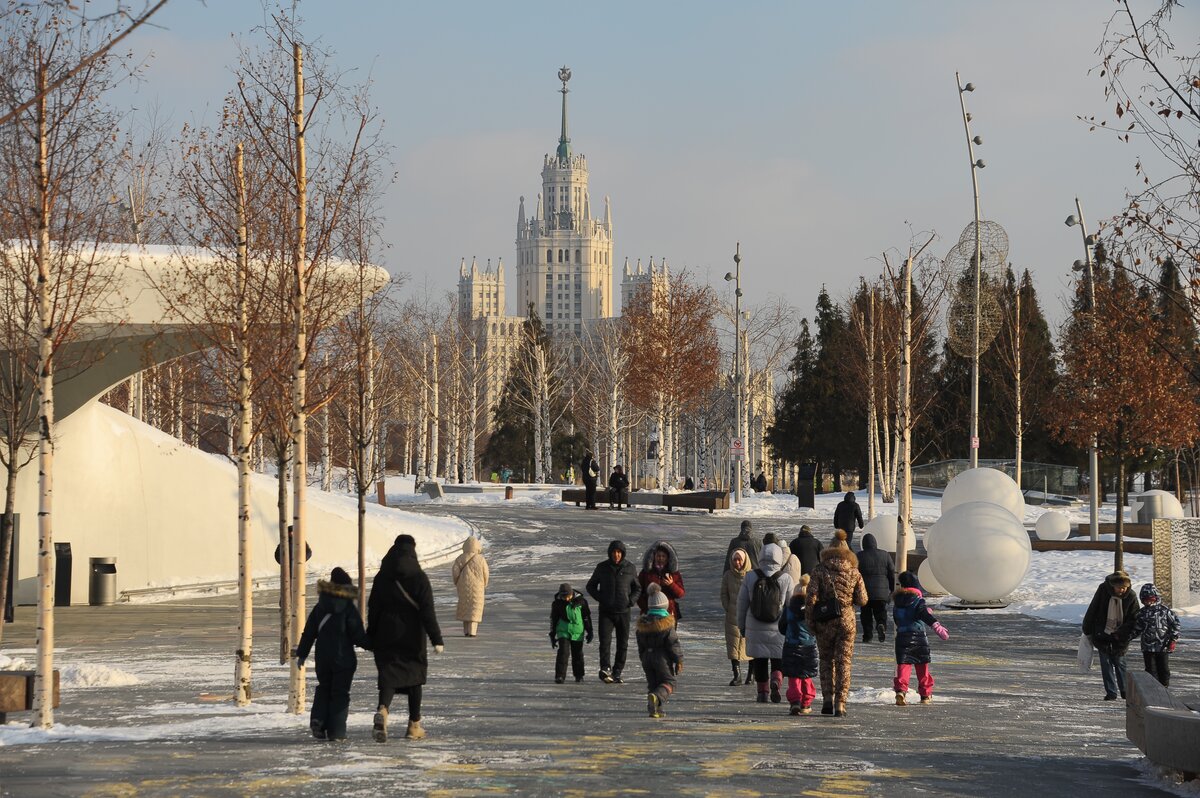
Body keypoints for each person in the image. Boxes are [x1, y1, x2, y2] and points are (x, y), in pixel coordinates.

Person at [366, 534, 444, 742]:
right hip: (412, 634)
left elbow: (373, 608)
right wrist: (436, 638)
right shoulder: (419, 578)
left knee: (389, 675)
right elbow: (428, 611)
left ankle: (383, 710)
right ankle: (414, 725)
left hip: (385, 633)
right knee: (414, 677)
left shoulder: (382, 577)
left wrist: (371, 634)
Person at [294, 567, 370, 741]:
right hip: (343, 658)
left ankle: (318, 720)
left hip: (323, 657)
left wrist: (302, 654)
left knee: (324, 688)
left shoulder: (320, 606)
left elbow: (309, 632)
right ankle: (336, 732)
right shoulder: (348, 608)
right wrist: (375, 645)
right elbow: (358, 635)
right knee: (340, 693)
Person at [806, 530, 867, 717]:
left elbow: (811, 598)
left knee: (826, 661)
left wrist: (810, 621)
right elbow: (863, 599)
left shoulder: (819, 570)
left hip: (825, 621)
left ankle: (827, 700)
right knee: (844, 662)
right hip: (847, 621)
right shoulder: (854, 572)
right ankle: (840, 703)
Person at [737, 542, 794, 704]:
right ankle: (776, 680)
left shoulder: (750, 576)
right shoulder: (786, 578)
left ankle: (762, 692)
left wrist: (741, 626)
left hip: (754, 626)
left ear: (760, 556)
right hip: (778, 627)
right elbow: (791, 606)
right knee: (778, 659)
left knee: (760, 660)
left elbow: (742, 604)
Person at [586, 540, 642, 684]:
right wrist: (601, 598)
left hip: (624, 612)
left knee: (622, 643)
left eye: (619, 552)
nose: (616, 555)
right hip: (606, 612)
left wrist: (630, 601)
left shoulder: (630, 568)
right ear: (610, 553)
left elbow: (638, 588)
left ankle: (617, 671)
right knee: (605, 642)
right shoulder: (602, 567)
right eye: (614, 552)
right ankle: (605, 668)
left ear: (622, 554)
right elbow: (590, 586)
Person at [892, 571, 949, 705]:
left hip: (902, 637)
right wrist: (936, 626)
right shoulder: (918, 601)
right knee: (922, 667)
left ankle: (901, 691)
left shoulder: (897, 603)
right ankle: (925, 695)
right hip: (918, 637)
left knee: (903, 666)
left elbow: (899, 619)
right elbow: (923, 615)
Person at [1081, 570, 1139, 700]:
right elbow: (1093, 608)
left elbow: (1134, 619)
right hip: (1102, 633)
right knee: (1106, 664)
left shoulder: (1131, 596)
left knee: (1120, 663)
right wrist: (1087, 628)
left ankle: (1124, 691)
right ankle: (1111, 692)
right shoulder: (1103, 591)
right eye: (1119, 588)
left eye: (1124, 588)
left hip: (1121, 636)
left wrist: (1123, 633)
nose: (1122, 590)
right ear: (1113, 586)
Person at [637, 584, 683, 719]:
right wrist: (678, 660)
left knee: (653, 684)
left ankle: (656, 709)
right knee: (669, 682)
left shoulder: (642, 624)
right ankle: (657, 697)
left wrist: (643, 658)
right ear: (665, 606)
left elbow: (640, 646)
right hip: (661, 658)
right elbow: (673, 644)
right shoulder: (667, 624)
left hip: (647, 658)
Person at [779, 578, 819, 715]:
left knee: (794, 676)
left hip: (791, 647)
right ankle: (806, 703)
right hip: (808, 647)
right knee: (806, 676)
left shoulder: (789, 610)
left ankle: (795, 701)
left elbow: (782, 627)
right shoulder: (813, 610)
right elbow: (817, 628)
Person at [1130, 583, 1180, 687]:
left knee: (1164, 669)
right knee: (1150, 670)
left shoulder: (1165, 611)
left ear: (1156, 598)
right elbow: (1137, 628)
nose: (1148, 602)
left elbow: (1175, 624)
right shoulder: (1142, 613)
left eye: (1151, 599)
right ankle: (1153, 688)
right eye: (1146, 599)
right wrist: (1126, 638)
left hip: (1163, 646)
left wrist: (1173, 639)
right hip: (1148, 647)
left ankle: (1164, 687)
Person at [720, 548, 753, 686]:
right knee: (733, 647)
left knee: (751, 647)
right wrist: (729, 608)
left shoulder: (751, 575)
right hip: (732, 617)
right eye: (735, 559)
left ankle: (751, 675)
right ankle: (737, 675)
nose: (737, 562)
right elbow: (723, 594)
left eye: (739, 559)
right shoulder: (728, 575)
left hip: (748, 617)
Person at [550, 583, 593, 683]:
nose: (566, 599)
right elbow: (554, 619)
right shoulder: (557, 603)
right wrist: (552, 634)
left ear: (572, 593)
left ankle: (579, 675)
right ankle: (560, 676)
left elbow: (586, 617)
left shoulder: (581, 602)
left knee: (577, 653)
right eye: (563, 596)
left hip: (577, 631)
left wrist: (589, 631)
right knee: (563, 653)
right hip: (563, 631)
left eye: (567, 596)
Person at [857, 533, 895, 643]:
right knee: (881, 611)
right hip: (881, 591)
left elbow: (854, 575)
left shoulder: (859, 556)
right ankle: (881, 624)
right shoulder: (885, 555)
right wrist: (892, 589)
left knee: (866, 614)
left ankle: (867, 636)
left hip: (865, 591)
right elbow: (892, 573)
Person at [451, 536, 490, 637]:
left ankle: (466, 631)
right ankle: (472, 631)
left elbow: (455, 572)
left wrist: (457, 582)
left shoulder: (460, 558)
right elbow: (486, 573)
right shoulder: (480, 559)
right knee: (474, 608)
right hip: (478, 587)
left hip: (463, 586)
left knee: (465, 607)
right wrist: (484, 583)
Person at [637, 541, 685, 621]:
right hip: (649, 614)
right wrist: (646, 606)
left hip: (668, 614)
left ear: (668, 558)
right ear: (654, 557)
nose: (661, 558)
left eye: (663, 556)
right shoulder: (646, 572)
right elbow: (638, 591)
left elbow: (680, 594)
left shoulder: (673, 573)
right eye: (658, 556)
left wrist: (671, 584)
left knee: (668, 633)